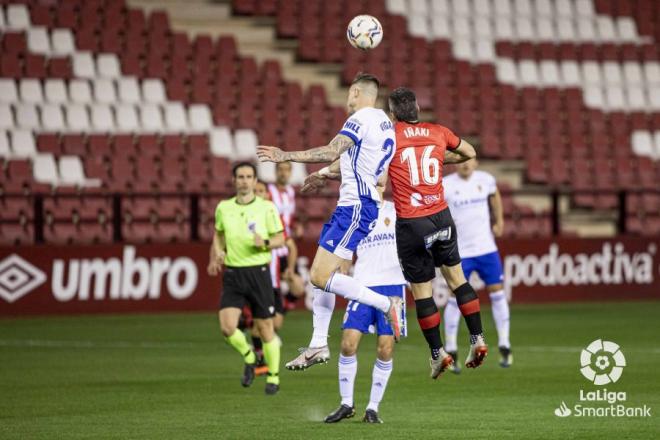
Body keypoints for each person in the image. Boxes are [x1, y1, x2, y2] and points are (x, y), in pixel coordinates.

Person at [257, 73, 403, 371]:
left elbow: (331, 149)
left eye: (350, 93)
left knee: (319, 277)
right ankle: (318, 344)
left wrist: (285, 155)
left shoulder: (360, 119)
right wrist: (324, 174)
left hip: (356, 207)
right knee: (323, 278)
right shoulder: (384, 123)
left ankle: (386, 304)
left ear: (355, 92)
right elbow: (351, 160)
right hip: (352, 207)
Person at [385, 87, 488, 378]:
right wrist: (441, 158)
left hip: (412, 223)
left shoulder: (390, 137)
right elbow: (469, 153)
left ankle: (437, 353)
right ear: (417, 109)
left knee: (422, 293)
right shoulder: (438, 131)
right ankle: (477, 337)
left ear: (392, 114)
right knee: (458, 279)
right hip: (441, 217)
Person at [324, 196, 407, 424]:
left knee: (385, 349)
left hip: (392, 285)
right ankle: (346, 403)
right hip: (362, 284)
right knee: (348, 343)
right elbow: (345, 248)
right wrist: (342, 269)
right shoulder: (357, 211)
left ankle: (372, 408)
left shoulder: (397, 208)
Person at [207, 162, 285, 395]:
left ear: (254, 181)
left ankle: (273, 376)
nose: (244, 180)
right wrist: (217, 253)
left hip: (258, 271)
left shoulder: (267, 207)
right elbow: (219, 235)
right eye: (240, 176)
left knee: (265, 327)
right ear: (234, 180)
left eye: (248, 176)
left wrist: (267, 243)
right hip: (233, 272)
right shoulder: (224, 207)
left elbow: (281, 238)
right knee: (227, 327)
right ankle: (250, 356)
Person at [442, 159, 512, 371]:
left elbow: (495, 196)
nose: (465, 165)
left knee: (497, 292)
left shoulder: (486, 180)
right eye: (461, 161)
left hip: (486, 248)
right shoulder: (446, 184)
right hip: (460, 251)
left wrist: (499, 220)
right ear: (454, 163)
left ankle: (504, 344)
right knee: (455, 296)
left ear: (476, 163)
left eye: (469, 161)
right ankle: (452, 347)